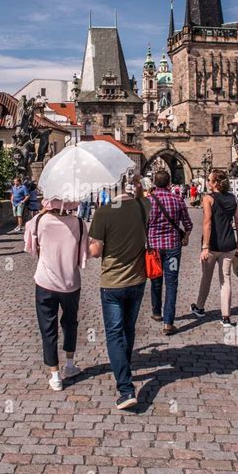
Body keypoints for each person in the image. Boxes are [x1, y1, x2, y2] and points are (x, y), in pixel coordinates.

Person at [89, 175, 150, 410]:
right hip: (137, 279)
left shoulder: (104, 213)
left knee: (114, 334)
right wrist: (137, 184)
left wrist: (88, 240)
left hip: (113, 282)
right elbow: (142, 196)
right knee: (128, 328)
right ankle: (125, 365)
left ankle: (126, 388)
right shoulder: (143, 205)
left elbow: (95, 251)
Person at [24, 199, 89, 391]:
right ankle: (69, 365)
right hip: (70, 282)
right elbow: (83, 256)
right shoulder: (78, 223)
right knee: (70, 323)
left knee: (48, 327)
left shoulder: (38, 221)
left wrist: (43, 211)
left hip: (45, 283)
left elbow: (30, 247)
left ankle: (55, 375)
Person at [190, 169, 238, 327]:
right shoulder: (233, 198)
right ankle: (226, 317)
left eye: (209, 180)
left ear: (215, 183)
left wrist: (205, 247)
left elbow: (207, 222)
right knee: (225, 279)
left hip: (212, 245)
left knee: (206, 277)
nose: (207, 182)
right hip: (229, 244)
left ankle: (199, 307)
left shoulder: (208, 198)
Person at [147, 170, 193, 334]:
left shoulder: (148, 201)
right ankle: (168, 322)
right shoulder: (177, 199)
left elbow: (142, 224)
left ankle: (156, 312)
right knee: (171, 283)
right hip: (173, 247)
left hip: (154, 248)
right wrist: (186, 237)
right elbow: (188, 224)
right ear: (169, 183)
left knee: (155, 278)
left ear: (154, 182)